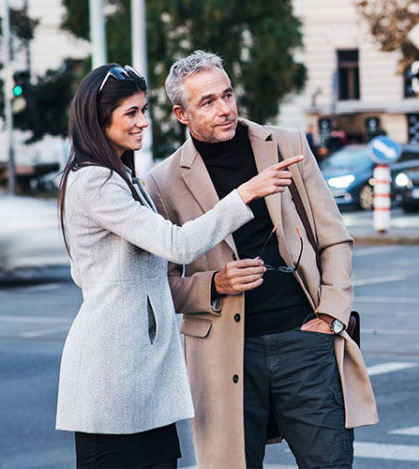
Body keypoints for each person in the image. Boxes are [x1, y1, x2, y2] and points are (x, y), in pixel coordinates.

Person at [54, 63, 301, 468]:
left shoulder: (120, 177)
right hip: (112, 373)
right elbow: (177, 244)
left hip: (141, 369)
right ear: (100, 119)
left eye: (143, 110)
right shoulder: (94, 183)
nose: (143, 123)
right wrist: (245, 194)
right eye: (131, 113)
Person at [145, 51, 378, 469]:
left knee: (330, 463)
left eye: (228, 95)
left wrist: (329, 316)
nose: (225, 109)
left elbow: (335, 238)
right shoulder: (162, 182)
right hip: (221, 355)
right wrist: (214, 284)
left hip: (305, 339)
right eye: (209, 102)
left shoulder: (287, 144)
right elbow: (159, 284)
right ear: (182, 114)